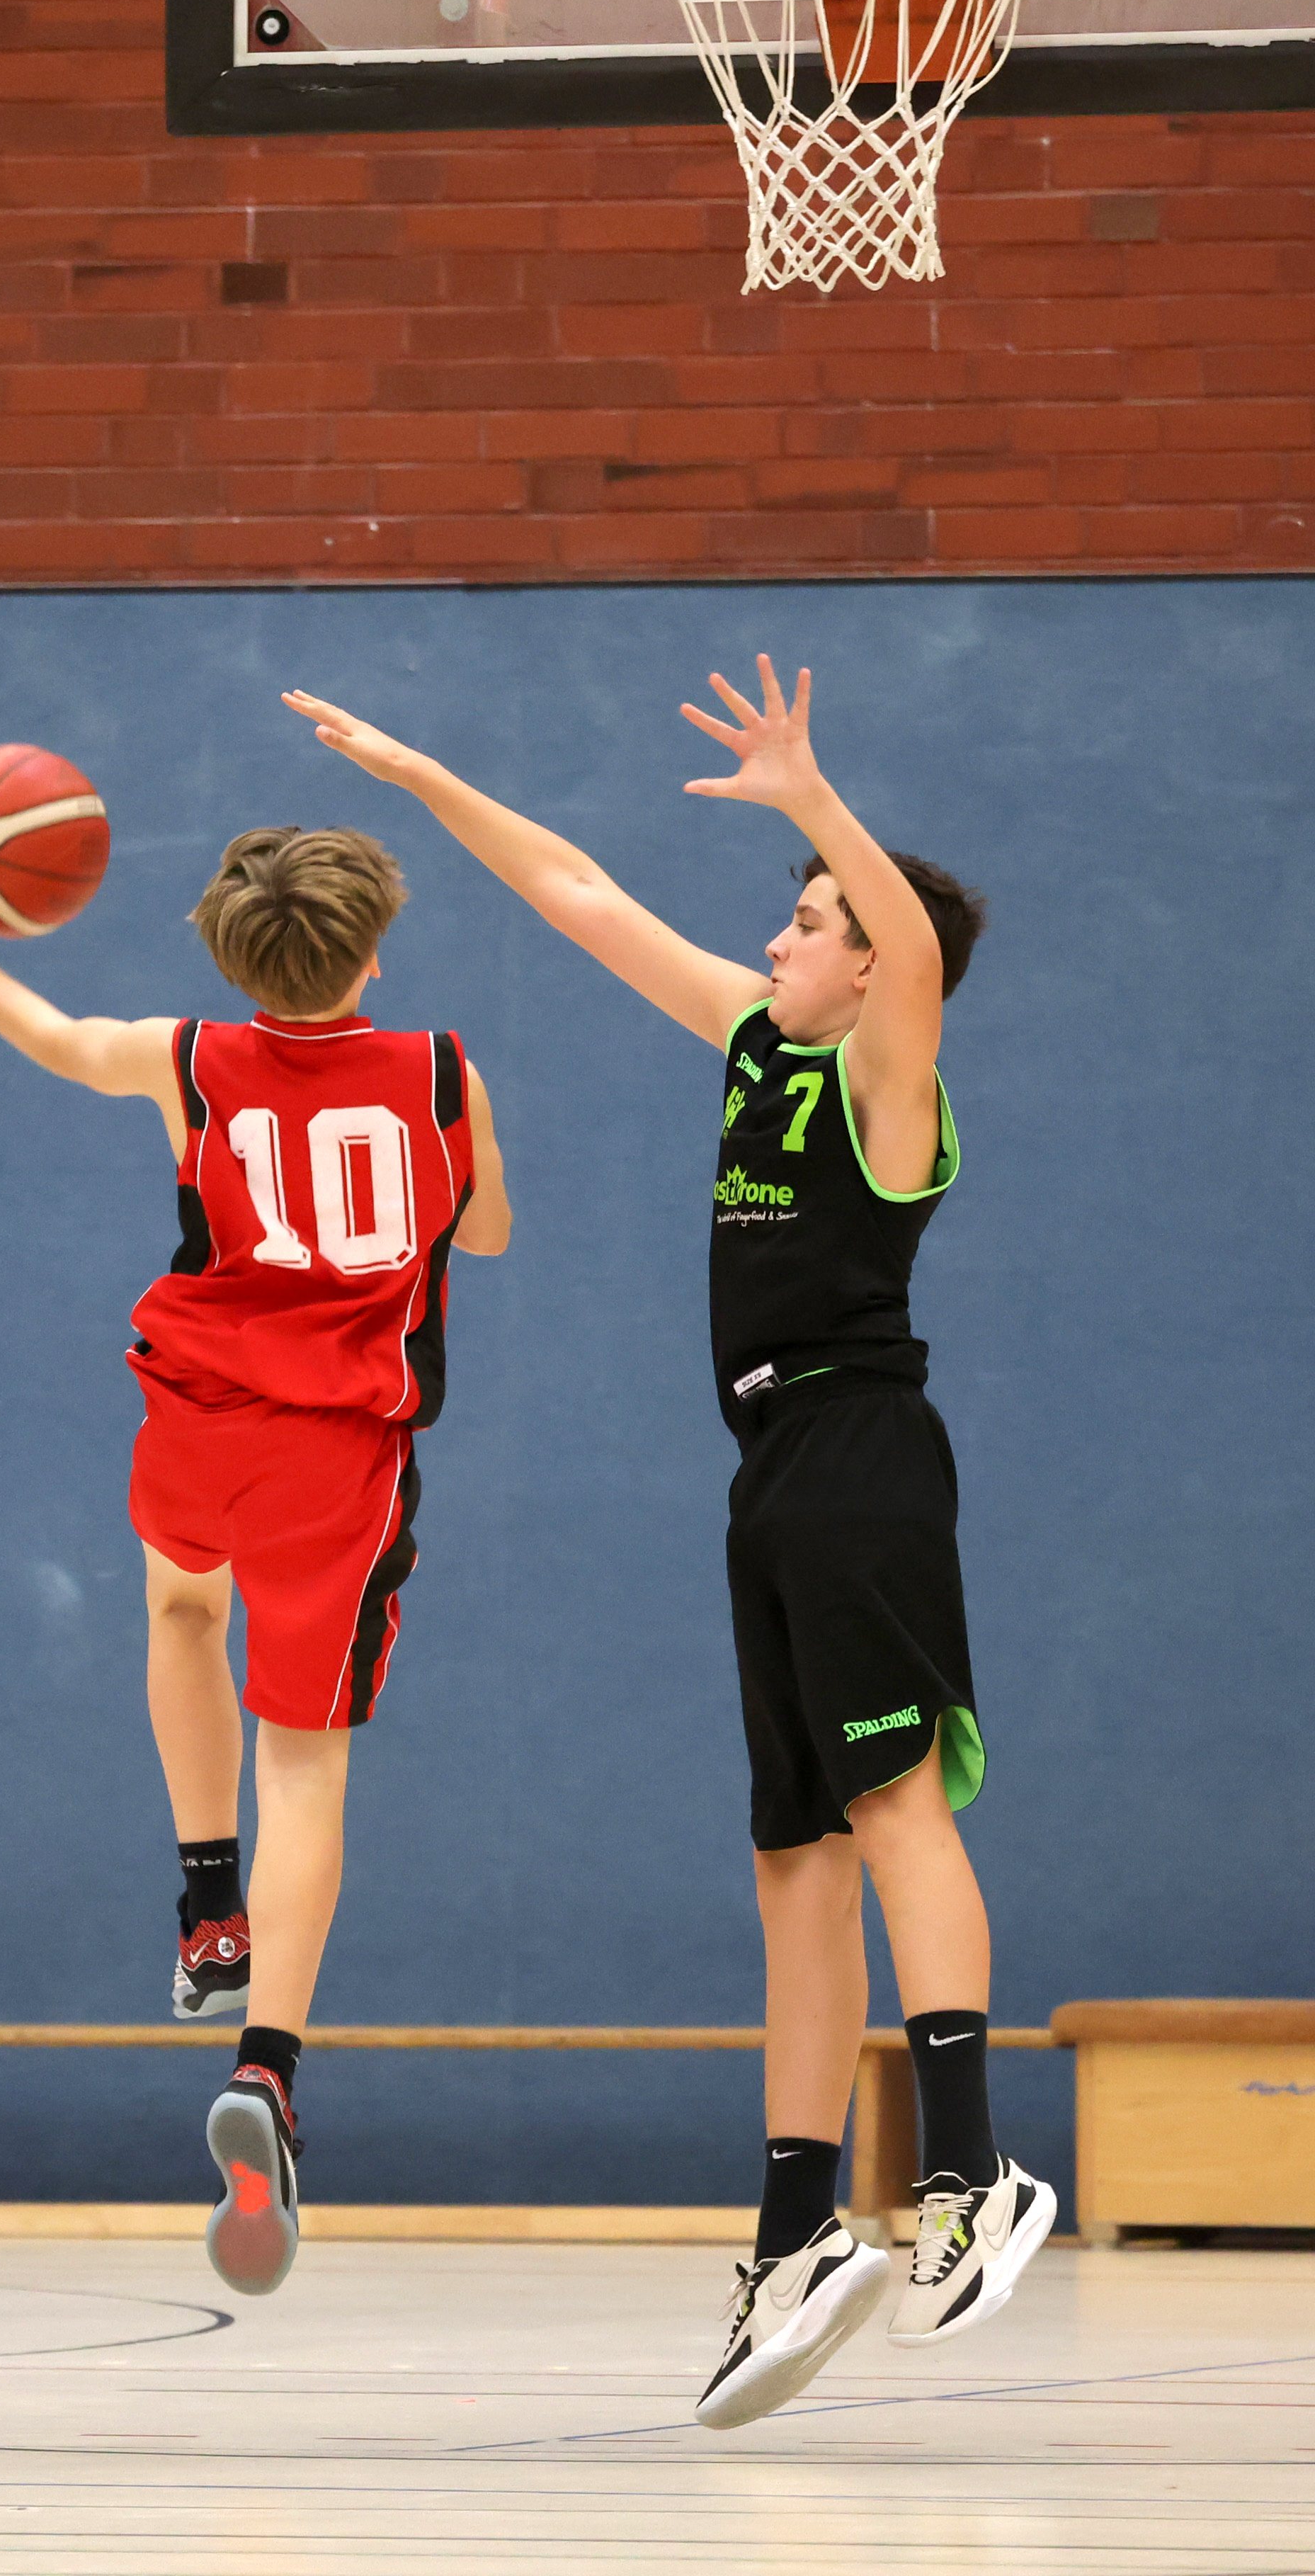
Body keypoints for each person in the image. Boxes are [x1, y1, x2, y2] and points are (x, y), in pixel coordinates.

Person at [283, 657, 1052, 2424]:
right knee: (794, 1858)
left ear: (874, 967)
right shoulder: (756, 1043)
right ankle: (797, 2236)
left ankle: (969, 2171)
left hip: (863, 1453)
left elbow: (914, 949)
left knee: (892, 1803)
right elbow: (580, 890)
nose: (781, 937)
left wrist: (816, 798)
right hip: (768, 1470)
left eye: (812, 921)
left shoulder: (891, 1087)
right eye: (793, 915)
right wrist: (421, 773)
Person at [0, 827, 511, 2296]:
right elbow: (486, 1230)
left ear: (232, 956)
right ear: (373, 952)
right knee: (303, 1761)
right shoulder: (441, 1071)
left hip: (196, 1412)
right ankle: (269, 2069)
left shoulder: (187, 1059)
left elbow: (57, 1038)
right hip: (339, 1450)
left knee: (181, 1607)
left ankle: (205, 1907)